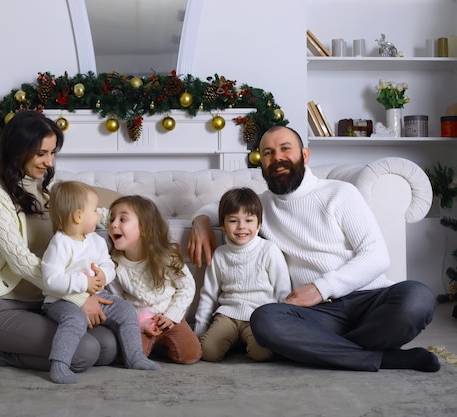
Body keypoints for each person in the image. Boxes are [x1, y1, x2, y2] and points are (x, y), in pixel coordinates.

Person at [188, 125, 440, 373]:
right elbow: (219, 208)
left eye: (285, 149)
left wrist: (321, 288)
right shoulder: (263, 205)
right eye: (268, 153)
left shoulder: (340, 193)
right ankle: (382, 359)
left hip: (369, 300)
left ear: (304, 155)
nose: (277, 158)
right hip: (318, 316)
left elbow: (376, 255)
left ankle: (324, 350)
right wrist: (200, 221)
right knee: (264, 319)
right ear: (261, 163)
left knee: (418, 297)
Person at [0, 110, 119, 376]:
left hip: (44, 304)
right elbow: (21, 261)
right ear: (19, 150)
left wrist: (131, 218)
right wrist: (79, 296)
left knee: (108, 347)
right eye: (42, 153)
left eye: (53, 153)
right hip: (2, 306)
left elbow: (89, 214)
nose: (49, 162)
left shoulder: (46, 191)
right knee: (85, 353)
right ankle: (1, 352)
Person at [41, 181, 161, 384]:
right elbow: (51, 280)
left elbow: (108, 264)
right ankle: (60, 364)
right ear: (79, 216)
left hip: (98, 295)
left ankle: (135, 357)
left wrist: (104, 276)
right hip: (61, 301)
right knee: (75, 320)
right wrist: (84, 283)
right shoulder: (60, 243)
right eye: (95, 210)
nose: (100, 215)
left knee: (125, 310)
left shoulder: (96, 239)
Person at [194, 187, 291, 362]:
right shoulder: (220, 254)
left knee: (262, 354)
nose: (241, 227)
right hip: (228, 315)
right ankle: (231, 339)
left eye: (249, 220)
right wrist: (199, 331)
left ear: (259, 223)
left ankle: (243, 341)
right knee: (208, 352)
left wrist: (282, 325)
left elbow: (283, 291)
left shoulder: (268, 250)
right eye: (233, 221)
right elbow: (208, 294)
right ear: (223, 225)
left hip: (259, 315)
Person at [107, 195, 202, 364]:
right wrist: (139, 322)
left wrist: (172, 316)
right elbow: (117, 301)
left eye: (123, 219)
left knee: (190, 355)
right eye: (111, 219)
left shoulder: (167, 257)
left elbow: (187, 286)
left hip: (168, 316)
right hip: (138, 321)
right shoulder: (114, 263)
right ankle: (151, 344)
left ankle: (163, 344)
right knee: (130, 358)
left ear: (144, 228)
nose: (113, 224)